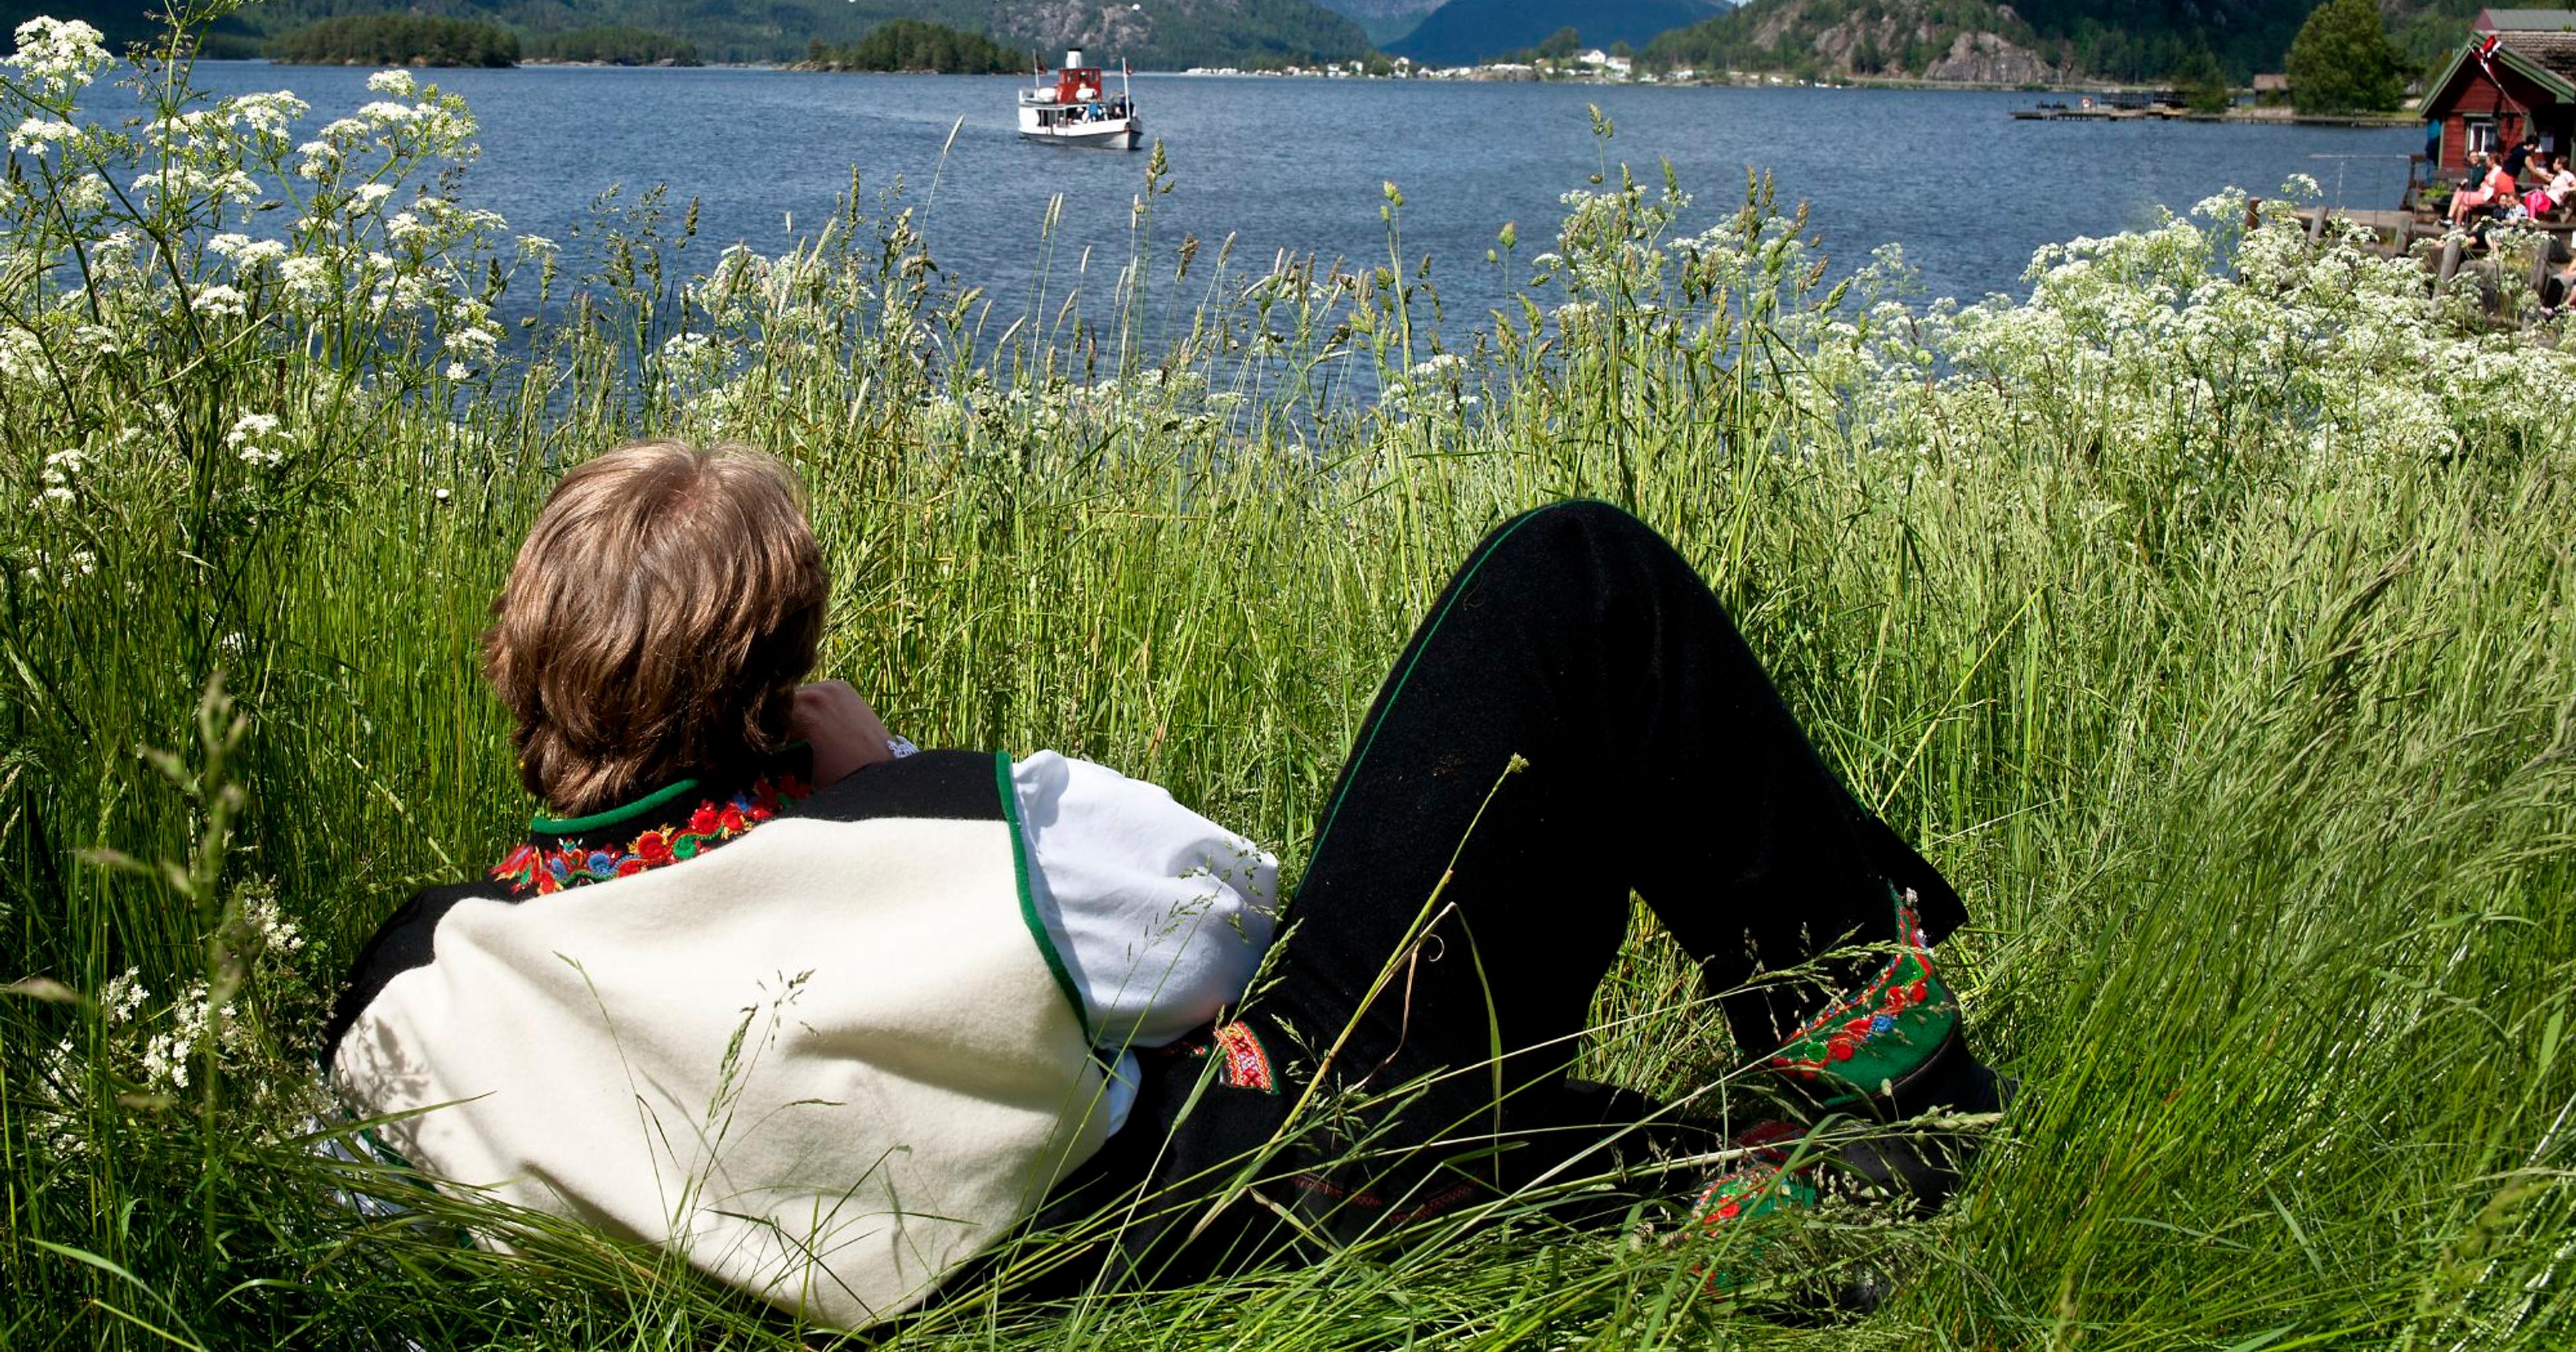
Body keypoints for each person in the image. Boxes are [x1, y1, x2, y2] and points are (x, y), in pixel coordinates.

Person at [326, 442, 2006, 1329]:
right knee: (1572, 583)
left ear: (518, 672)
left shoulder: (426, 985)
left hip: (1048, 1276)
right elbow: (1231, 925)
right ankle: (1888, 1045)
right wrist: (896, 772)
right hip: (1259, 1200)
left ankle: (1792, 1087)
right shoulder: (933, 842)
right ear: (784, 671)